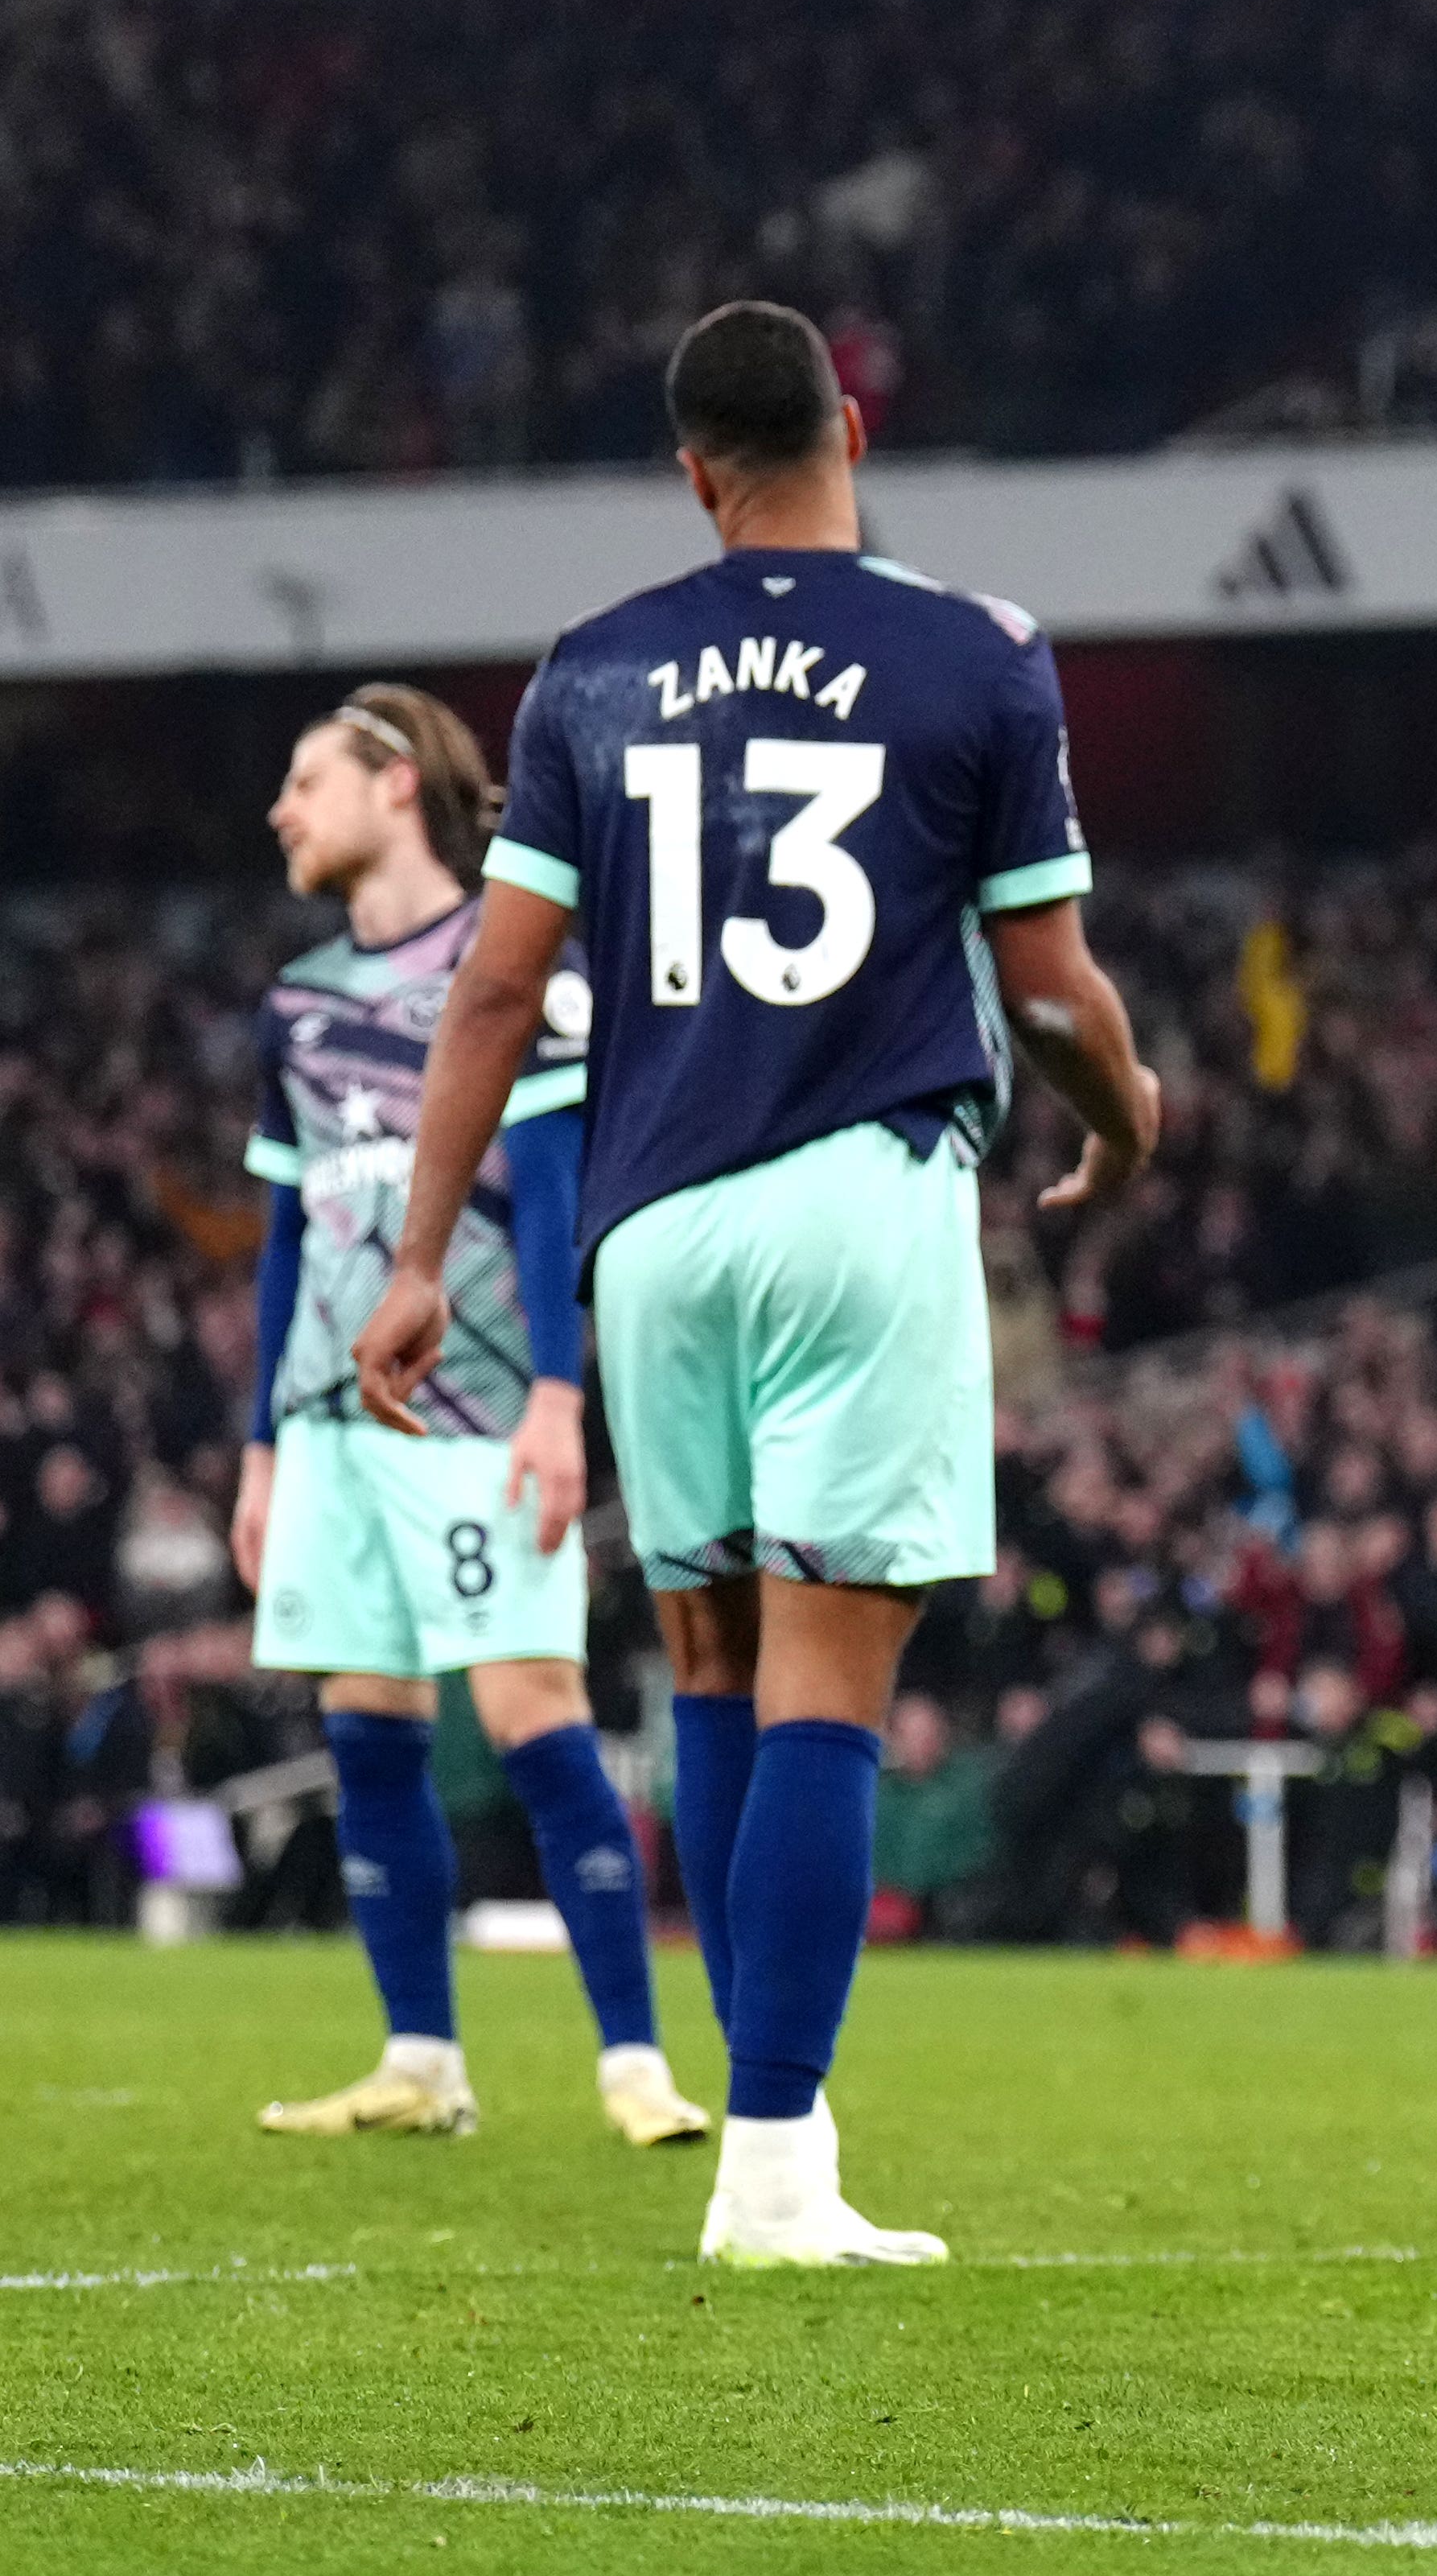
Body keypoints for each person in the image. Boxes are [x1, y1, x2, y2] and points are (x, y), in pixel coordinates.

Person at [352, 300, 1159, 2265]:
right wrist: (1125, 1120)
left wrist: (415, 1256)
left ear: (692, 471)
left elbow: (489, 986)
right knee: (828, 1679)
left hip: (652, 1225)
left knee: (705, 1661)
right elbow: (1046, 988)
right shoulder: (975, 653)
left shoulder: (590, 669)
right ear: (848, 430)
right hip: (853, 1197)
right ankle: (777, 2169)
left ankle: (757, 2142)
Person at [235, 685, 703, 2150]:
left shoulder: (506, 970)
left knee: (532, 1718)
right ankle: (420, 2055)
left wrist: (563, 1394)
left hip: (481, 1402)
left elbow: (557, 1195)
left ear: (388, 780)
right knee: (364, 1726)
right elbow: (284, 1235)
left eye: (305, 778)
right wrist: (259, 1442)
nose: (280, 809)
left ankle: (634, 2061)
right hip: (327, 1413)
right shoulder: (298, 1002)